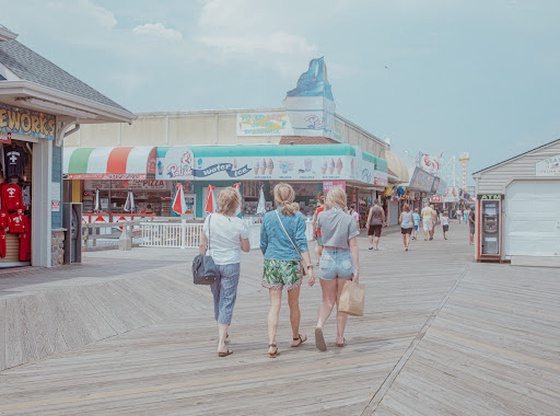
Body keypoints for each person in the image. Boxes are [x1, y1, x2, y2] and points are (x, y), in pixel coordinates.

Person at [260, 183, 315, 358]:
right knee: (294, 304)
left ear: (275, 197)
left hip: (272, 261)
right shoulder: (298, 217)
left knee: (274, 305)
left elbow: (263, 243)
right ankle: (294, 337)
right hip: (291, 262)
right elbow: (301, 243)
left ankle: (271, 343)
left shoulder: (268, 217)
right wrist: (310, 267)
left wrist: (270, 255)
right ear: (292, 197)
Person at [198, 187, 250, 357]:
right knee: (227, 300)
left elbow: (202, 244)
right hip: (231, 263)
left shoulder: (210, 219)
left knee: (217, 297)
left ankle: (222, 330)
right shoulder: (239, 223)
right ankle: (221, 342)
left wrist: (201, 258)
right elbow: (246, 248)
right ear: (236, 204)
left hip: (212, 263)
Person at [315, 187, 359, 351]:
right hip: (345, 259)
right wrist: (357, 268)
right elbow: (353, 245)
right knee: (342, 301)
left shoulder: (321, 216)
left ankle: (320, 325)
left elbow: (319, 237)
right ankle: (340, 337)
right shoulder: (348, 219)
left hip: (327, 257)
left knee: (327, 300)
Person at [312, 194, 326, 265]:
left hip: (319, 231)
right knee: (324, 246)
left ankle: (318, 260)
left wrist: (313, 231)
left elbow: (314, 221)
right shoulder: (328, 210)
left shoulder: (318, 210)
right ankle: (323, 258)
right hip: (327, 231)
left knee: (318, 245)